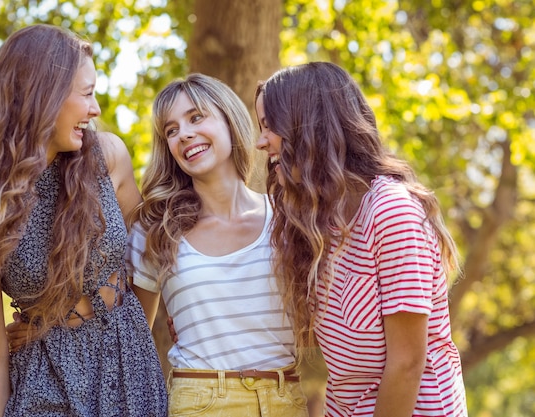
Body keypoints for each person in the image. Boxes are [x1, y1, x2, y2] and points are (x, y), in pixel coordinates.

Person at [0, 24, 167, 416]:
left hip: (129, 379)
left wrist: (117, 337)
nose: (96, 109)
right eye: (87, 94)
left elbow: (146, 268)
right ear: (44, 96)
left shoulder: (109, 157)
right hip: (42, 389)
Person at [254, 62, 468, 417]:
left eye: (268, 126)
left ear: (308, 124)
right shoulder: (320, 224)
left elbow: (406, 364)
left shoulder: (391, 211)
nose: (261, 141)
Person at [127, 73, 308, 416]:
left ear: (229, 119)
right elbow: (132, 339)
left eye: (196, 118)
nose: (185, 134)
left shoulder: (287, 217)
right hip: (200, 401)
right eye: (171, 130)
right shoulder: (155, 230)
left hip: (287, 399)